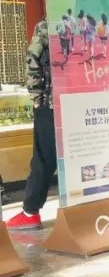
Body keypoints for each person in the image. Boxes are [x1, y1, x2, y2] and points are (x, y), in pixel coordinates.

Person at [7, 19, 59, 230]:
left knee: (44, 158)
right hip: (81, 104)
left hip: (51, 104)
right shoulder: (86, 22)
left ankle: (30, 212)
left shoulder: (48, 24)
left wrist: (37, 98)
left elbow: (33, 60)